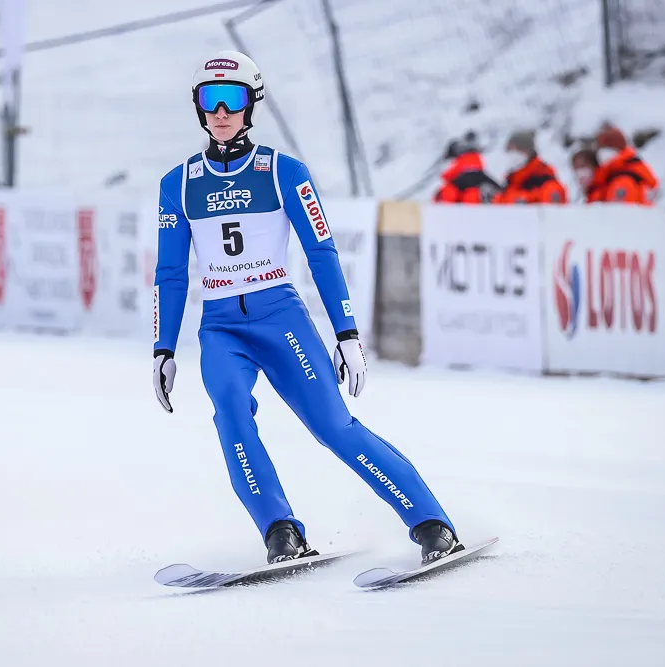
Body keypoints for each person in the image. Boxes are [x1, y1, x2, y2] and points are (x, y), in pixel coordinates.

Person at [152, 51, 461, 565]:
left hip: (280, 318)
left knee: (333, 427)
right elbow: (170, 273)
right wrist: (163, 348)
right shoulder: (178, 184)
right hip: (221, 327)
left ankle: (431, 523)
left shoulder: (283, 171)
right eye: (211, 99)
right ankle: (280, 531)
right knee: (231, 415)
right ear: (198, 106)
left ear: (251, 104)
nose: (221, 112)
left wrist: (347, 334)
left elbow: (321, 251)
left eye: (233, 99)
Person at [590, 123, 659, 204]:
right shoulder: (626, 170)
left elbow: (619, 210)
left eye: (602, 148)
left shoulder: (623, 180)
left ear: (613, 149)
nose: (599, 153)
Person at [493, 130, 567, 204]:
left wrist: (521, 200)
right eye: (509, 151)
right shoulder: (512, 179)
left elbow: (552, 201)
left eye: (515, 150)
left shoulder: (542, 176)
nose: (512, 155)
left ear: (527, 151)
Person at [433, 131, 502, 203]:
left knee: (451, 192)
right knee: (470, 196)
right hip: (470, 191)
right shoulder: (477, 160)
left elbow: (446, 175)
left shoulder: (461, 159)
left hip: (459, 191)